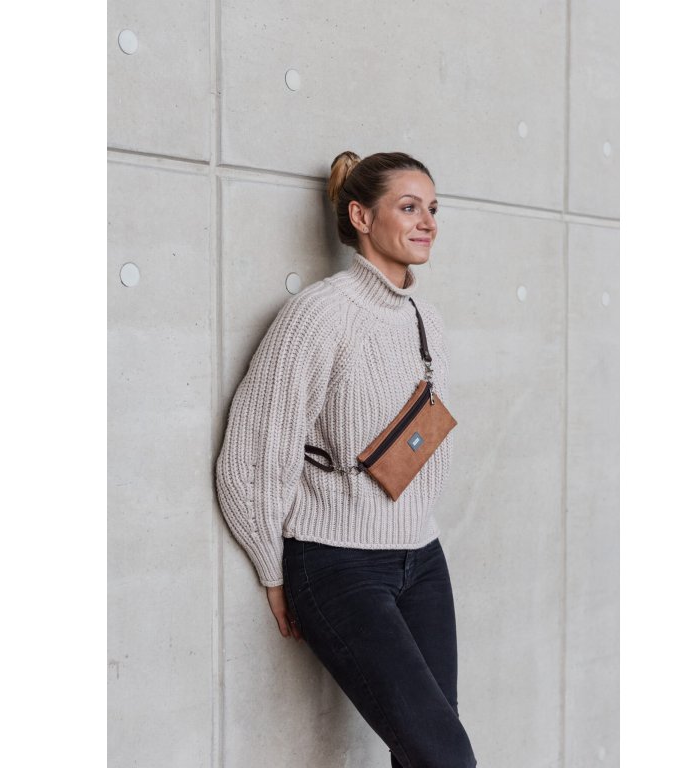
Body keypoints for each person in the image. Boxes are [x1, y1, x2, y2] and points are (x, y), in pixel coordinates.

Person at [215, 151, 477, 768]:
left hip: (423, 558)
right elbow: (256, 448)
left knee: (425, 753)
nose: (428, 223)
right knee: (447, 759)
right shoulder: (320, 314)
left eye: (432, 209)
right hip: (338, 563)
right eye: (409, 207)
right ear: (361, 216)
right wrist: (273, 569)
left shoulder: (426, 319)